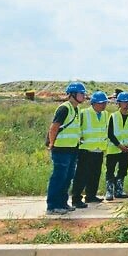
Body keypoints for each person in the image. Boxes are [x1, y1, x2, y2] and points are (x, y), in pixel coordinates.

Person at [45, 81, 86, 215]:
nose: (84, 96)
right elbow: (54, 127)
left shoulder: (76, 109)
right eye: (81, 93)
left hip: (72, 149)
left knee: (68, 177)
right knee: (59, 177)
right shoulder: (64, 108)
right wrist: (51, 143)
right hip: (61, 149)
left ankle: (62, 203)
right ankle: (52, 206)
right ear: (73, 94)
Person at [72, 90, 110, 209]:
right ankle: (76, 198)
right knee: (81, 176)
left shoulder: (105, 114)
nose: (104, 105)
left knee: (95, 174)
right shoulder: (84, 113)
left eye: (105, 103)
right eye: (101, 103)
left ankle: (91, 195)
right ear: (93, 103)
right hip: (86, 150)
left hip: (99, 149)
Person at [104, 92, 128, 201]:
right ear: (119, 103)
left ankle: (119, 190)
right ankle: (109, 191)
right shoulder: (113, 116)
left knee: (123, 170)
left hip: (126, 149)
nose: (127, 104)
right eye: (124, 102)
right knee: (110, 170)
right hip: (114, 148)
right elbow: (110, 133)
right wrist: (119, 145)